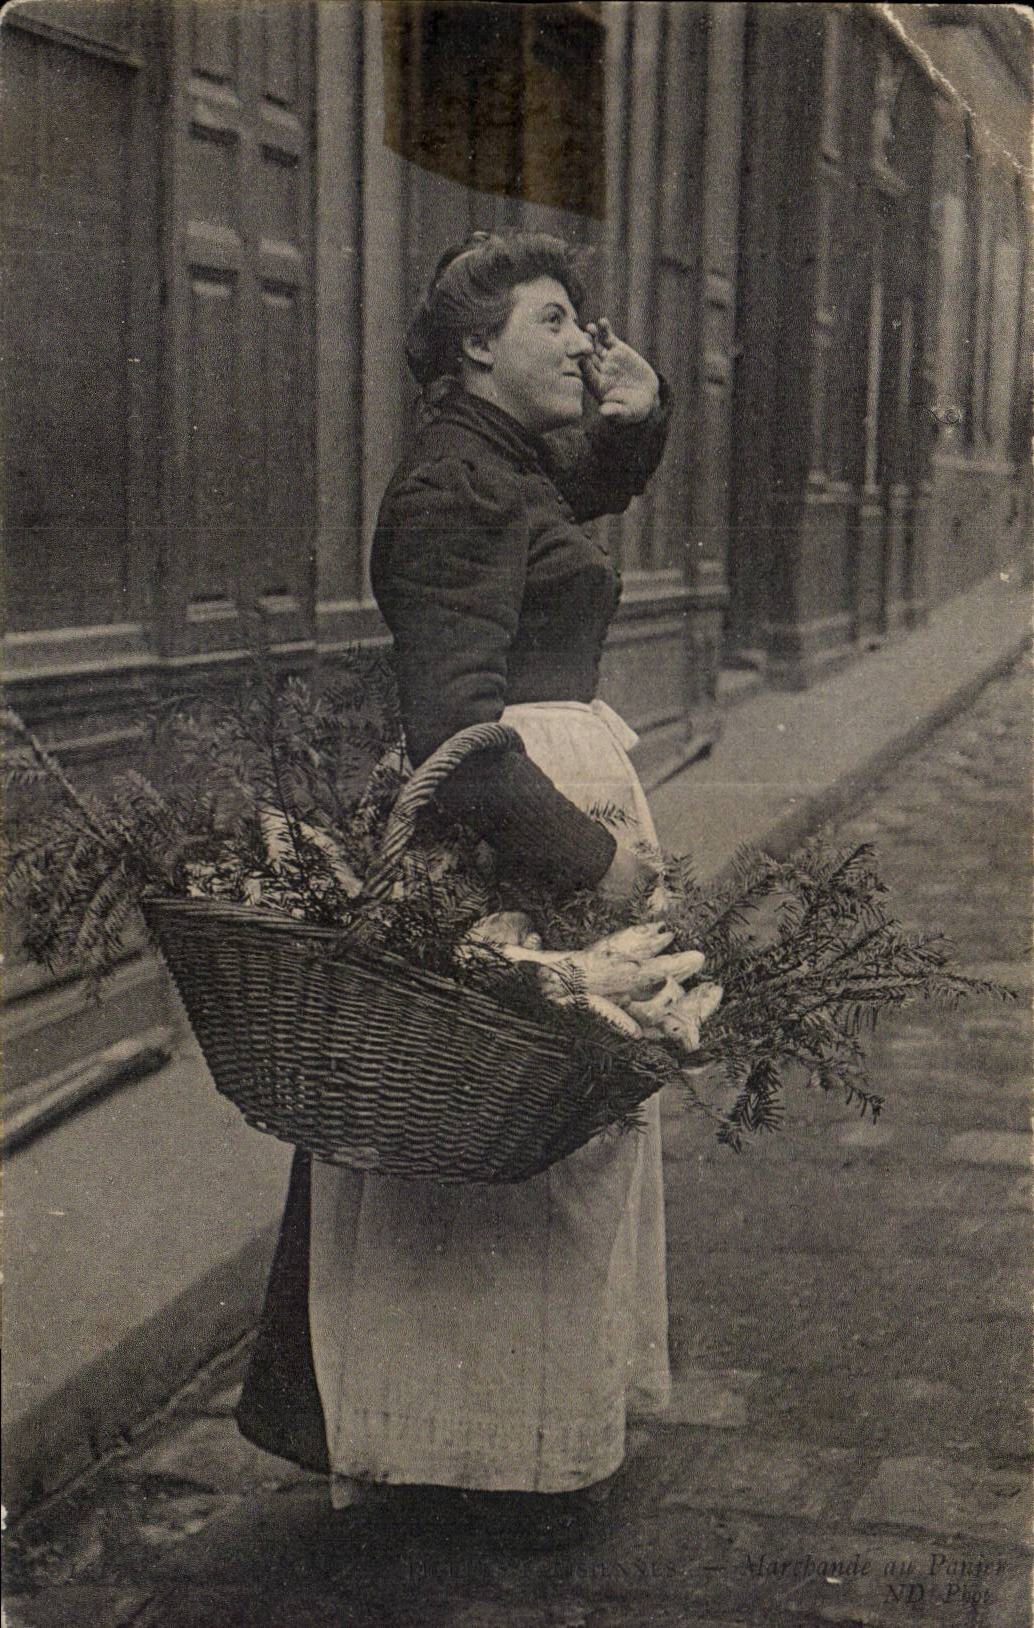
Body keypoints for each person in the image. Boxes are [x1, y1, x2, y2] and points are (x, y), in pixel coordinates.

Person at [237, 230, 673, 1539]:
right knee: (501, 1143)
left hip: (536, 813)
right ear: (478, 345)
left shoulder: (499, 462)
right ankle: (470, 1463)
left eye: (585, 324)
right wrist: (588, 863)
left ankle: (509, 1447)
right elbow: (452, 731)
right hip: (505, 833)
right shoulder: (451, 487)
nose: (584, 344)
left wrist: (635, 421)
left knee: (546, 1140)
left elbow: (562, 521)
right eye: (557, 321)